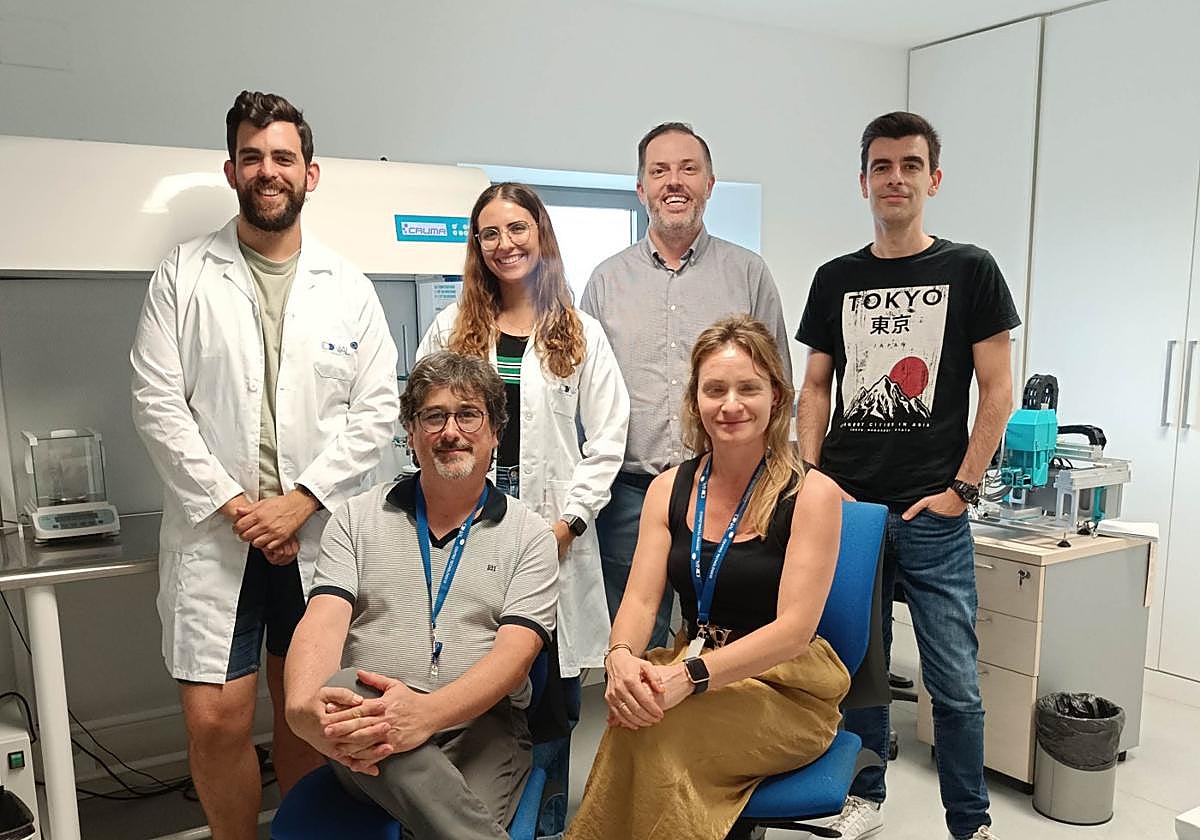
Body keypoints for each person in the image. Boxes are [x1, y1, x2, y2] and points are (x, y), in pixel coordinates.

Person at [130, 90, 399, 840]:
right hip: (219, 533)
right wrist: (239, 508)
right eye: (251, 157)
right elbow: (156, 404)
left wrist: (300, 501)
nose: (267, 171)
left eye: (283, 157)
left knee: (305, 711)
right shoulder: (183, 275)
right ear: (231, 171)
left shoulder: (346, 286)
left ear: (310, 173)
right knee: (215, 720)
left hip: (316, 534)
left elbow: (377, 408)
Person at [795, 111, 1019, 840]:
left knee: (953, 681)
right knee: (859, 673)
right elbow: (815, 388)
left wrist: (962, 490)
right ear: (863, 181)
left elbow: (998, 390)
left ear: (934, 178)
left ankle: (969, 821)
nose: (896, 178)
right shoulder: (836, 279)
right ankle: (865, 798)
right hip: (851, 510)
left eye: (911, 165)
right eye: (882, 166)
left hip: (935, 514)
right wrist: (812, 480)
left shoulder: (971, 269)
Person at [567, 316, 849, 840]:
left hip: (785, 687)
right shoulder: (669, 489)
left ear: (776, 397)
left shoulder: (812, 494)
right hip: (689, 665)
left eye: (748, 388)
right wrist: (620, 659)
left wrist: (688, 678)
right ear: (695, 400)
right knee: (636, 718)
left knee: (655, 731)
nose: (730, 404)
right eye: (714, 389)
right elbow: (640, 602)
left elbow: (794, 631)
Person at [416, 181, 627, 835]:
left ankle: (550, 824)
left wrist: (568, 523)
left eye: (517, 229)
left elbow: (608, 440)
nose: (504, 244)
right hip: (468, 532)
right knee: (471, 686)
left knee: (551, 703)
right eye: (490, 233)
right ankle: (474, 821)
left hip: (551, 535)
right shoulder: (451, 329)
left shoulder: (579, 333)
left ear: (540, 234)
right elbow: (424, 423)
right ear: (476, 245)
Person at [285, 351, 558, 840]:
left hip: (481, 728)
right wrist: (300, 707)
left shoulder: (531, 535)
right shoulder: (354, 520)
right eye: (433, 417)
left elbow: (515, 659)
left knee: (442, 818)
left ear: (496, 433)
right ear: (410, 434)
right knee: (347, 689)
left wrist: (424, 715)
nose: (450, 431)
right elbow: (322, 622)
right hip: (371, 717)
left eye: (468, 415)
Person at [581, 122, 792, 650]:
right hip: (630, 496)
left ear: (709, 184)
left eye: (688, 169)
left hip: (733, 492)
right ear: (641, 188)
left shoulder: (749, 273)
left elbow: (777, 384)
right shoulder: (605, 282)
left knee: (729, 639)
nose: (674, 182)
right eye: (659, 171)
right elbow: (584, 395)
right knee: (636, 641)